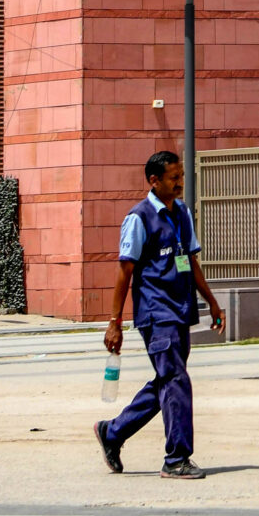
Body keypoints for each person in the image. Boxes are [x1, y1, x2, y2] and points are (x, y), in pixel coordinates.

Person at [96, 150, 224, 480]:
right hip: (156, 314)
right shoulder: (139, 218)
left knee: (167, 381)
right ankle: (176, 459)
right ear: (155, 181)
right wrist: (115, 323)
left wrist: (211, 300)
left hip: (181, 310)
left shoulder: (180, 212)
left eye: (181, 176)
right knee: (176, 380)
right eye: (174, 178)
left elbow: (190, 261)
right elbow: (125, 271)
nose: (180, 182)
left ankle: (113, 432)